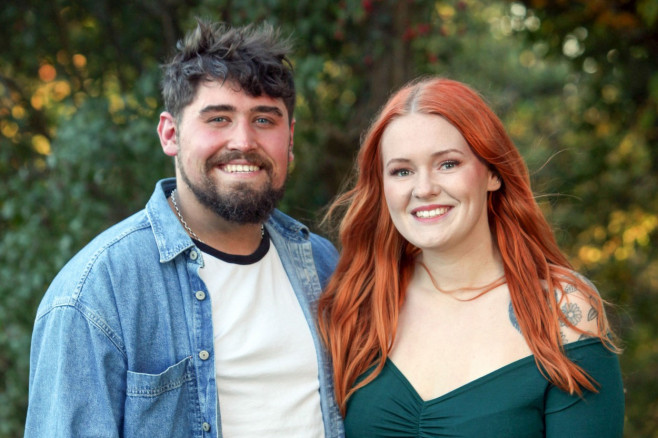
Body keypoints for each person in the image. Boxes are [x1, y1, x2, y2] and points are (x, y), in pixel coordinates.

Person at [25, 20, 344, 437]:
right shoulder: (96, 294)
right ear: (170, 133)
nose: (244, 141)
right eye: (218, 119)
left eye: (264, 120)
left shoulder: (321, 265)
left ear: (290, 137)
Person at [318, 77, 624, 437]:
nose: (424, 188)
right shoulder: (358, 305)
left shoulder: (562, 311)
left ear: (493, 172)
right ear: (382, 187)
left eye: (447, 164)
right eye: (402, 171)